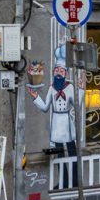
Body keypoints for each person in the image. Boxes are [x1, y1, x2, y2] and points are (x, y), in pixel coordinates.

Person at [28, 59, 78, 188]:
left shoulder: (70, 87)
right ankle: (63, 182)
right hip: (56, 123)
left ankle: (75, 180)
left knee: (72, 153)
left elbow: (77, 104)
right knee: (59, 154)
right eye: (56, 70)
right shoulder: (51, 88)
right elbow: (45, 107)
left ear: (65, 73)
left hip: (67, 124)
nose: (58, 73)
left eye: (61, 70)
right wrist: (35, 97)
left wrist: (80, 90)